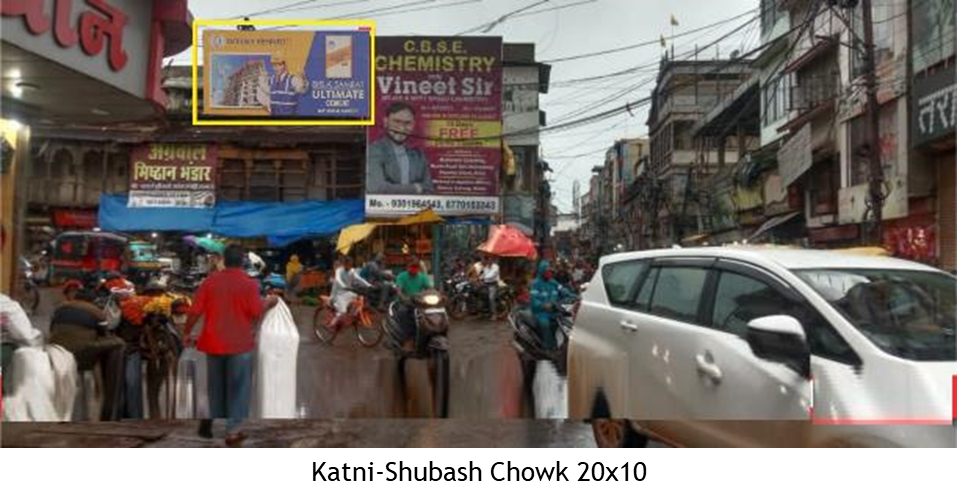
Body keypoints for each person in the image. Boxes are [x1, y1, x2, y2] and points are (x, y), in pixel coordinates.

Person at [185, 244, 278, 447]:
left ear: (224, 261)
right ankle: (232, 431)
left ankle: (216, 424)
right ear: (242, 261)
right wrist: (269, 303)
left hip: (213, 343)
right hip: (240, 345)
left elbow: (194, 311)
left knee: (216, 387)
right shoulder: (249, 284)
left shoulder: (210, 281)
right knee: (239, 388)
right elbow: (256, 312)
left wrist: (187, 332)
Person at [48, 288, 126, 421]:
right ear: (92, 300)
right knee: (120, 343)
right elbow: (104, 333)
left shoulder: (60, 307)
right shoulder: (96, 311)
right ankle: (108, 406)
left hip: (55, 350)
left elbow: (51, 328)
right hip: (82, 353)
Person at [366, 102, 432, 195]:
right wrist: (416, 188)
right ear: (385, 122)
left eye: (407, 123)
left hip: (417, 209)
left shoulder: (418, 156)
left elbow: (429, 188)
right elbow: (376, 187)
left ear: (413, 125)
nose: (401, 128)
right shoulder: (374, 150)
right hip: (382, 209)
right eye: (397, 121)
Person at [530, 261, 572, 351]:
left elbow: (564, 290)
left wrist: (576, 296)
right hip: (541, 312)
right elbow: (534, 300)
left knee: (566, 321)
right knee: (545, 324)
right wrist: (543, 305)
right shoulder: (535, 284)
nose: (550, 273)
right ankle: (548, 347)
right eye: (547, 271)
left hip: (554, 310)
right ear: (542, 271)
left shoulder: (553, 282)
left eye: (550, 271)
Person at [393, 256, 433, 350]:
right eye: (412, 266)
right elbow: (399, 291)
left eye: (416, 266)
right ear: (407, 266)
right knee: (403, 312)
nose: (414, 268)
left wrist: (437, 295)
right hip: (405, 303)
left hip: (419, 302)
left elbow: (430, 288)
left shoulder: (422, 277)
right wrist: (404, 298)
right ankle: (408, 339)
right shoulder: (401, 276)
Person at [328, 256, 372, 332]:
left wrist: (368, 285)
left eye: (350, 265)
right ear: (344, 264)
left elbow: (358, 278)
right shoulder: (339, 270)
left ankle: (352, 316)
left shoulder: (352, 271)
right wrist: (344, 286)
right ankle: (331, 324)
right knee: (342, 312)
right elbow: (338, 280)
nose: (349, 266)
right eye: (348, 264)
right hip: (338, 294)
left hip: (348, 292)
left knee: (359, 298)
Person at [480, 255, 501, 321]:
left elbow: (491, 275)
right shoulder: (485, 267)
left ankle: (494, 314)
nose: (488, 261)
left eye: (490, 259)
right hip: (486, 284)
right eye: (487, 259)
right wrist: (479, 277)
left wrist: (483, 278)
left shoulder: (496, 267)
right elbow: (482, 274)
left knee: (491, 298)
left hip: (493, 284)